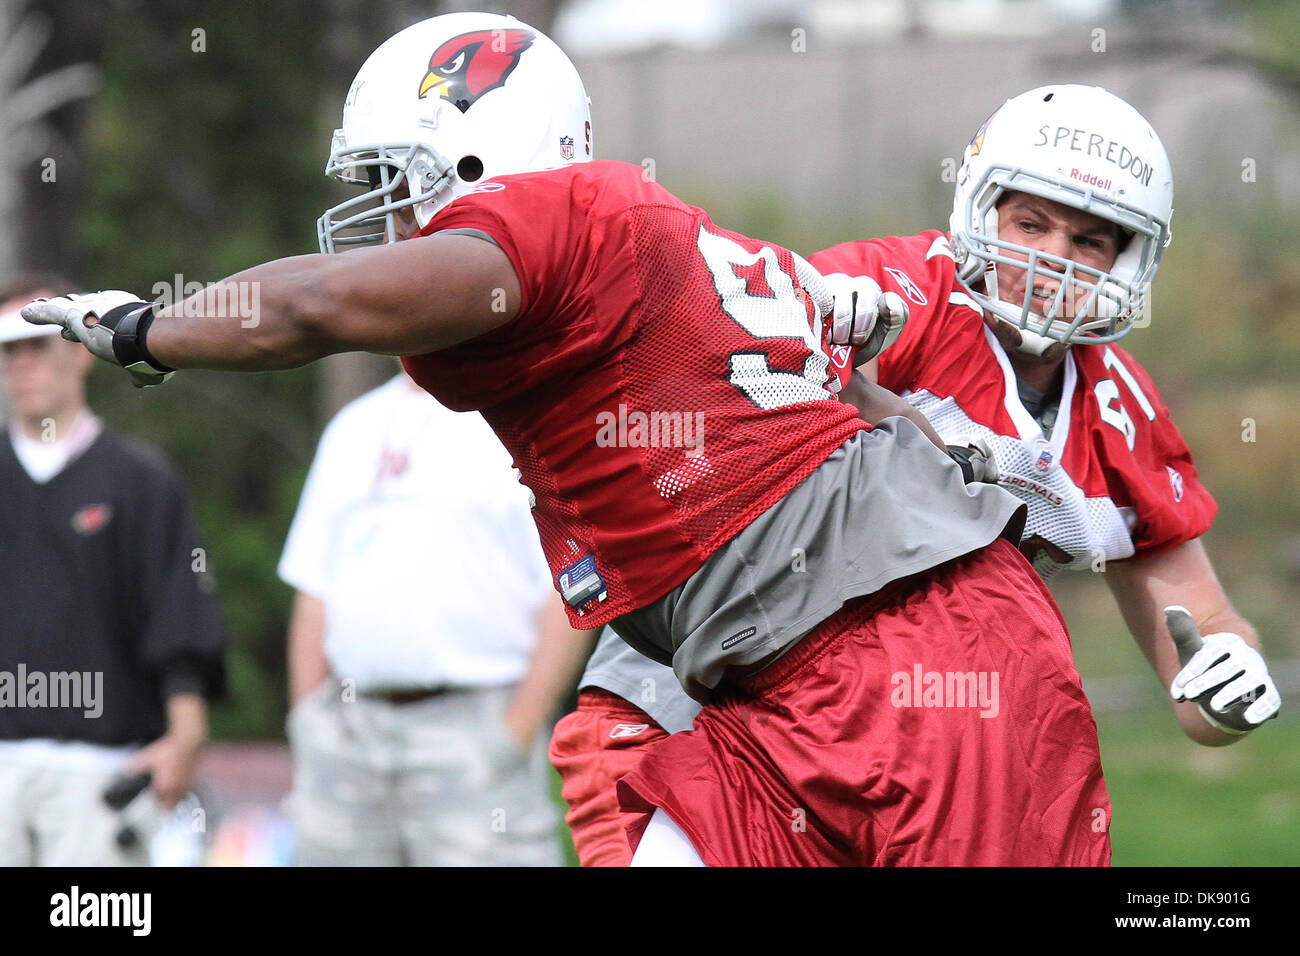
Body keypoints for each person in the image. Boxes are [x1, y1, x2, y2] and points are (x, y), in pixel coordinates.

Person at [26, 12, 1114, 866]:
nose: (384, 220)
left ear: (476, 163)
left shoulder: (566, 216)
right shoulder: (653, 246)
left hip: (909, 654)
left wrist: (150, 329)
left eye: (395, 184)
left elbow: (317, 305)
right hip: (771, 676)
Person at [550, 83, 1283, 866]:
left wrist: (1226, 682)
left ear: (1132, 259)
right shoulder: (886, 298)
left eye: (1090, 241)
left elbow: (1199, 636)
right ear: (980, 206)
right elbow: (685, 414)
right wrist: (838, 368)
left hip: (900, 738)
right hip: (690, 696)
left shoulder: (1120, 412)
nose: (1051, 263)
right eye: (1030, 224)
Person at [280, 366, 594, 865]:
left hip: (479, 724)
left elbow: (570, 585)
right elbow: (314, 587)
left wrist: (516, 728)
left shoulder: (522, 418)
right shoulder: (354, 426)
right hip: (347, 730)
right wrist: (307, 721)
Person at [0, 272, 226, 866]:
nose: (22, 364)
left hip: (104, 768)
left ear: (80, 352)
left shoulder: (140, 482)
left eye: (36, 345)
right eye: (8, 350)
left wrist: (185, 733)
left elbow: (178, 614)